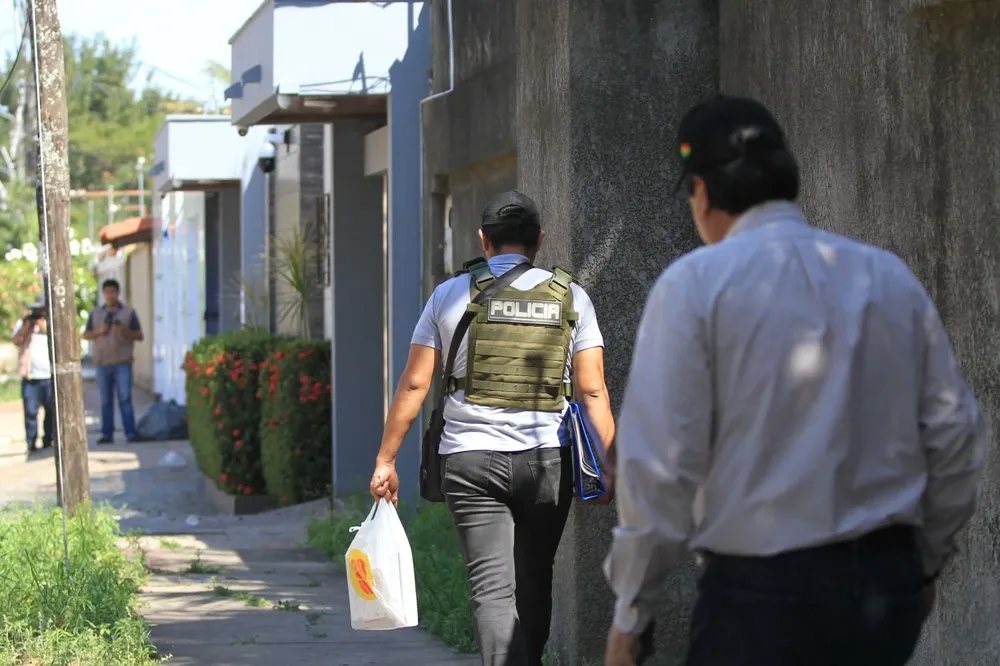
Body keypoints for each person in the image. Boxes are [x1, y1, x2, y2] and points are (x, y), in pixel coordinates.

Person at [603, 95, 986, 666]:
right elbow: (955, 432)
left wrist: (632, 613)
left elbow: (658, 467)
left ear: (701, 194)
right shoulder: (885, 276)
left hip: (760, 600)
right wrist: (924, 560)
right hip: (882, 593)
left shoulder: (694, 286)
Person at [369, 190, 615, 666]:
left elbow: (415, 383)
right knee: (535, 578)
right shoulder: (572, 297)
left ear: (483, 240)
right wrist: (611, 466)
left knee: (491, 591)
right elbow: (593, 392)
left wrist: (386, 458)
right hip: (548, 461)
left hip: (469, 461)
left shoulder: (450, 294)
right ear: (539, 241)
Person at [82, 278, 144, 444]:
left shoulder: (128, 312)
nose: (110, 295)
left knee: (125, 398)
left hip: (123, 362)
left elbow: (139, 335)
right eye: (107, 292)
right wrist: (99, 331)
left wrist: (124, 330)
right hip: (103, 363)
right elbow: (86, 335)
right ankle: (107, 434)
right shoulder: (96, 313)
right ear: (103, 294)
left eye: (113, 292)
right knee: (106, 400)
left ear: (118, 293)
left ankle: (130, 433)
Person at [11, 299, 53, 455]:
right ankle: (31, 443)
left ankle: (48, 440)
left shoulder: (50, 323)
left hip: (48, 376)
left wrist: (44, 328)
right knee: (30, 412)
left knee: (50, 411)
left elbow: (57, 341)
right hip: (30, 377)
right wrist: (26, 327)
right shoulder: (24, 324)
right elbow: (16, 340)